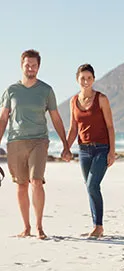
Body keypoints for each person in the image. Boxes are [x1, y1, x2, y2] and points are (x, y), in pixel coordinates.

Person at [0, 49, 71, 239]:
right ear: (21, 65)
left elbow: (56, 118)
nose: (30, 68)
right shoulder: (11, 91)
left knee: (36, 181)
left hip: (39, 140)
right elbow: (3, 119)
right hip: (15, 141)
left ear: (38, 67)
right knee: (21, 185)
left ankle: (39, 227)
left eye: (34, 65)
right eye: (27, 64)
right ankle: (26, 227)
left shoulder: (46, 90)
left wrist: (65, 144)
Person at [67, 64, 116, 238]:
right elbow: (73, 128)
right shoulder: (74, 101)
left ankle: (98, 226)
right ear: (77, 79)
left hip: (101, 149)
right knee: (90, 188)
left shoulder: (101, 99)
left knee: (92, 185)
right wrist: (66, 147)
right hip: (83, 150)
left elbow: (110, 126)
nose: (86, 81)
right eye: (82, 78)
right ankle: (96, 224)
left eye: (89, 78)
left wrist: (112, 152)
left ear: (94, 79)